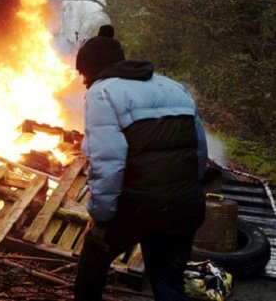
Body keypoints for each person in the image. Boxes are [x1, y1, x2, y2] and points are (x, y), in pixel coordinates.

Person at [73, 25, 207, 301]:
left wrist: (101, 216)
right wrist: (186, 192)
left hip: (139, 207)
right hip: (185, 206)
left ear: (92, 69)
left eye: (82, 73)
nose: (83, 80)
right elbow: (200, 152)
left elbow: (107, 163)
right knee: (169, 285)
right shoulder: (172, 86)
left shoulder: (102, 93)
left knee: (92, 263)